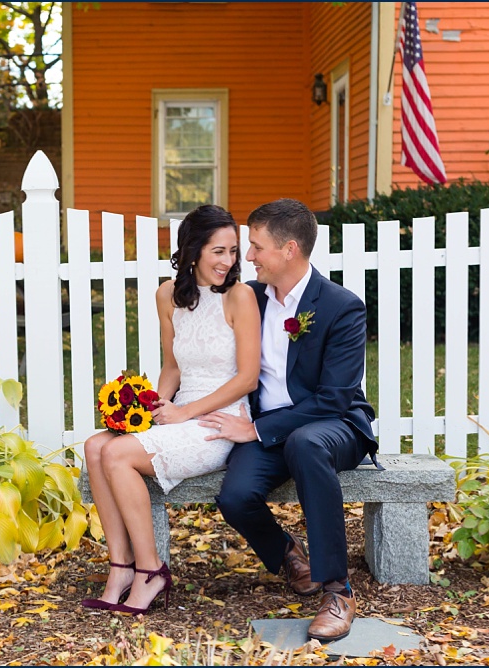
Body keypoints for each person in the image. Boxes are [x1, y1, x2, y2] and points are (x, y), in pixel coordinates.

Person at [198, 198, 379, 642]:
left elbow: (334, 399)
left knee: (305, 443)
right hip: (268, 423)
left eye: (257, 247)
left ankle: (338, 591)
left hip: (333, 426)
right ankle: (288, 554)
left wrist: (256, 430)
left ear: (290, 250)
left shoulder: (341, 307)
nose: (249, 257)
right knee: (235, 497)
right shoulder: (251, 298)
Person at [80, 204, 260, 615]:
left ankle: (151, 571)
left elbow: (247, 378)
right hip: (181, 411)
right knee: (95, 446)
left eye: (233, 251)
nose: (229, 261)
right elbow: (173, 366)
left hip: (219, 419)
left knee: (117, 453)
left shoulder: (240, 297)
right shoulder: (167, 294)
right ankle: (120, 566)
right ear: (194, 250)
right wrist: (153, 408)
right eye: (219, 251)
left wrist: (186, 412)